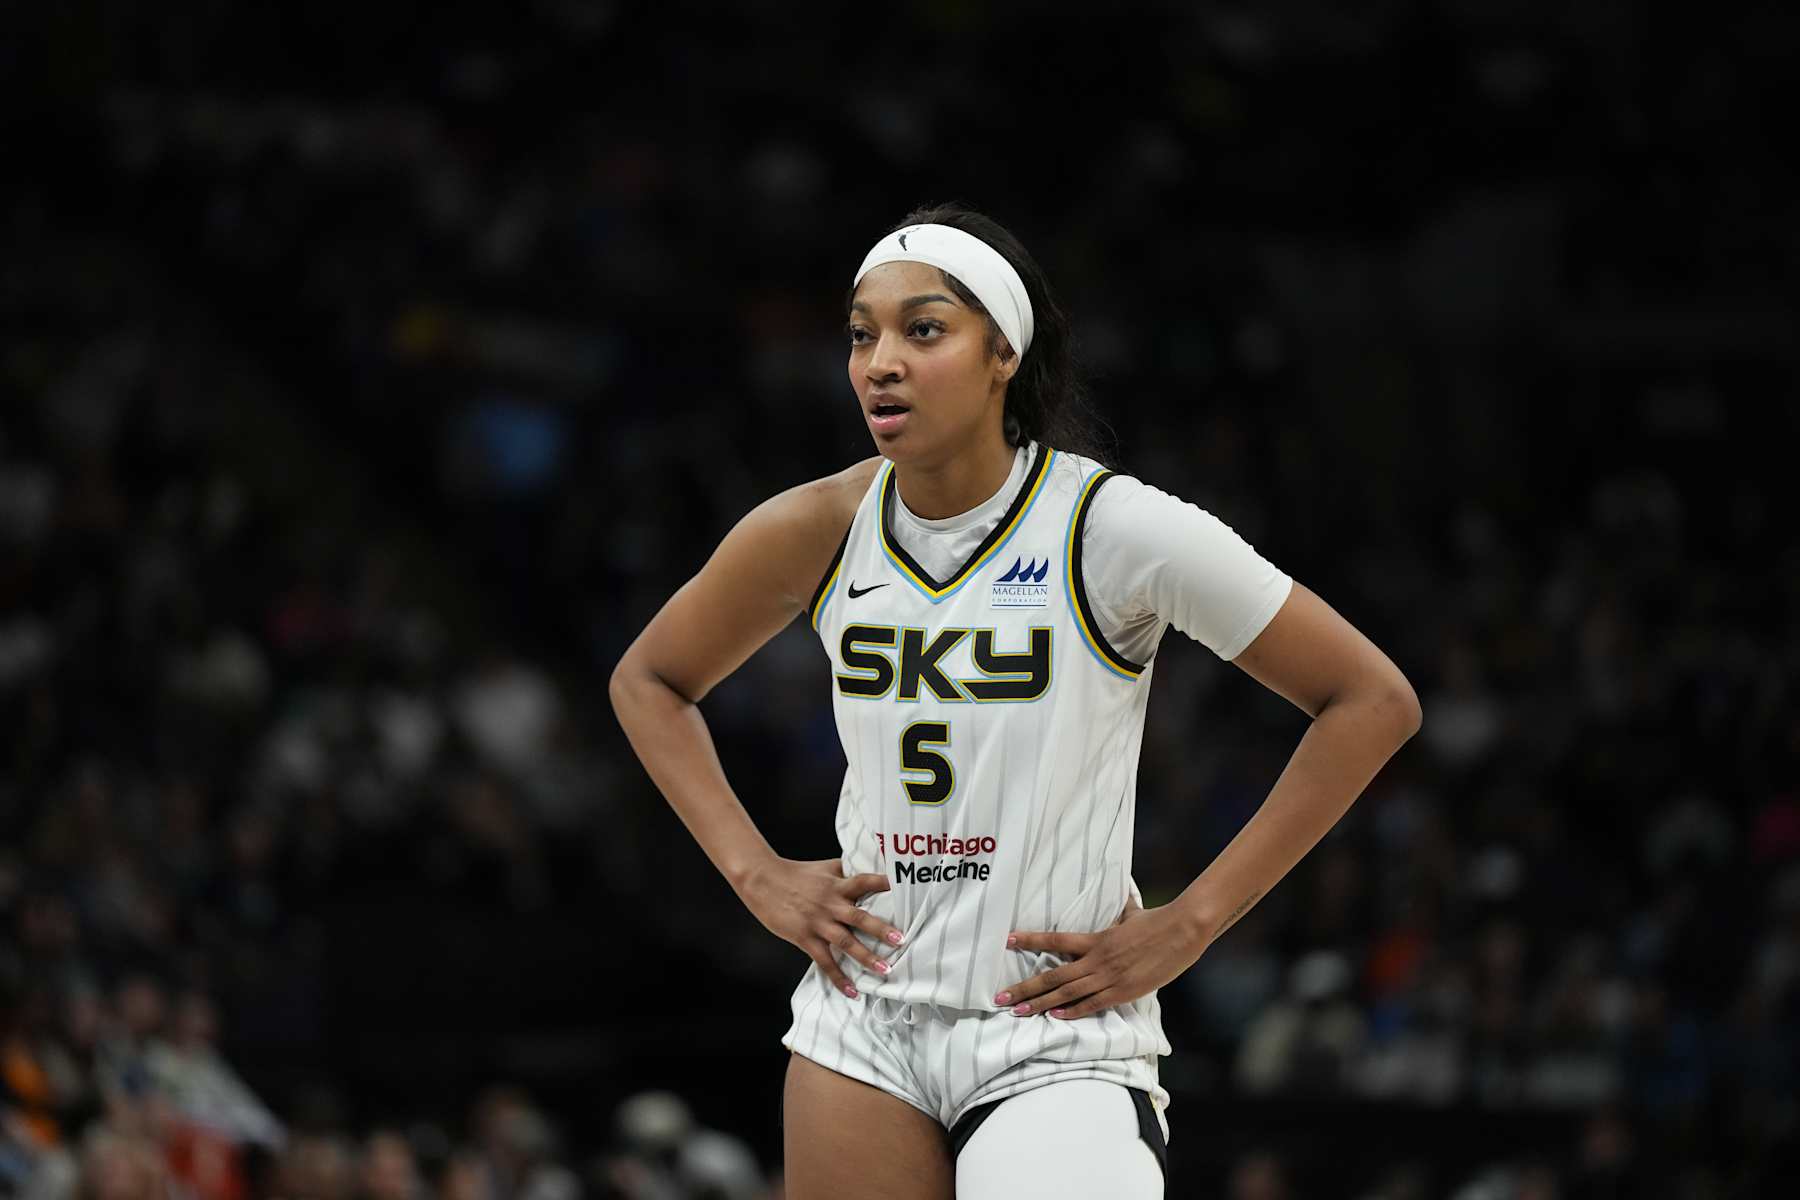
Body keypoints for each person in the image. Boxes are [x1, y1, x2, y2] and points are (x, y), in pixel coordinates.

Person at [609, 203, 1422, 1199]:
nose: (880, 361)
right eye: (862, 333)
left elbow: (1370, 699)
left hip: (1053, 1028)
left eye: (924, 328)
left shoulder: (1111, 526)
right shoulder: (818, 525)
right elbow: (649, 680)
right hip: (863, 1024)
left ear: (1004, 351)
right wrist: (755, 875)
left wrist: (1194, 920)